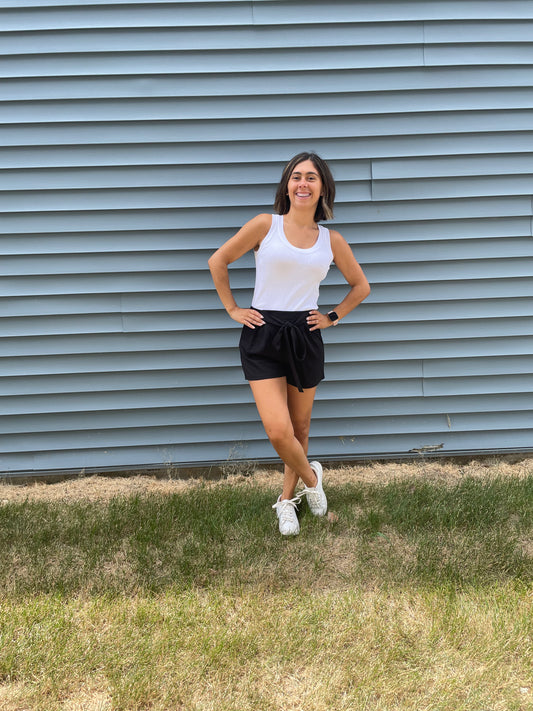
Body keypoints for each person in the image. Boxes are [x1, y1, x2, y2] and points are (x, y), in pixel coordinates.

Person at [208, 152, 370, 536]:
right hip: (263, 332)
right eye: (296, 176)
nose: (302, 183)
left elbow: (361, 286)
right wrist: (232, 308)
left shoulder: (332, 241)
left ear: (322, 188)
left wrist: (332, 317)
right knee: (278, 430)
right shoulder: (267, 225)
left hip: (304, 335)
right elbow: (218, 260)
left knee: (300, 427)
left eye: (311, 178)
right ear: (286, 185)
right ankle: (312, 480)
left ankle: (286, 501)